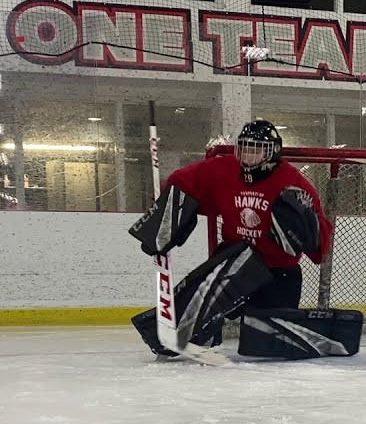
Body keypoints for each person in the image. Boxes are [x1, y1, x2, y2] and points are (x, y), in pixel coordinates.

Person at [129, 119, 334, 359]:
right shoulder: (224, 169)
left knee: (271, 348)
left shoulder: (294, 182)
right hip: (235, 259)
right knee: (201, 300)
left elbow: (319, 243)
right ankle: (197, 332)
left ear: (272, 152)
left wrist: (307, 231)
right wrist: (165, 219)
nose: (248, 155)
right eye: (244, 147)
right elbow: (182, 180)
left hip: (279, 271)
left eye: (256, 149)